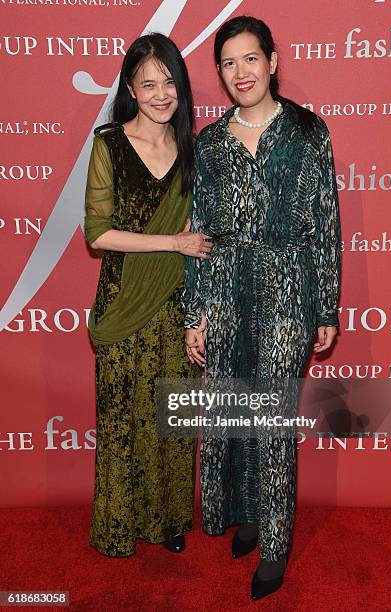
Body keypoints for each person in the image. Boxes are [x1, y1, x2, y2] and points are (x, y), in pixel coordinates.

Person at [182, 16, 341, 600]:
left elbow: (325, 224)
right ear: (219, 73)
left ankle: (275, 545)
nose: (240, 72)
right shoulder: (211, 145)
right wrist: (194, 314)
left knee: (270, 421)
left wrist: (326, 307)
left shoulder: (307, 132)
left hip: (286, 290)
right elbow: (199, 233)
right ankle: (246, 516)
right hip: (224, 288)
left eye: (250, 58)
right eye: (228, 62)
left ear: (272, 62)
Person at [84, 33, 212, 558]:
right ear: (131, 89)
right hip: (123, 304)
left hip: (177, 305)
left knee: (173, 420)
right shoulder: (109, 143)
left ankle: (169, 521)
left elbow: (205, 240)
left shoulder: (193, 149)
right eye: (149, 83)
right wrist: (172, 242)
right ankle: (119, 526)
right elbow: (98, 233)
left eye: (170, 83)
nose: (162, 94)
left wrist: (199, 316)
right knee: (121, 422)